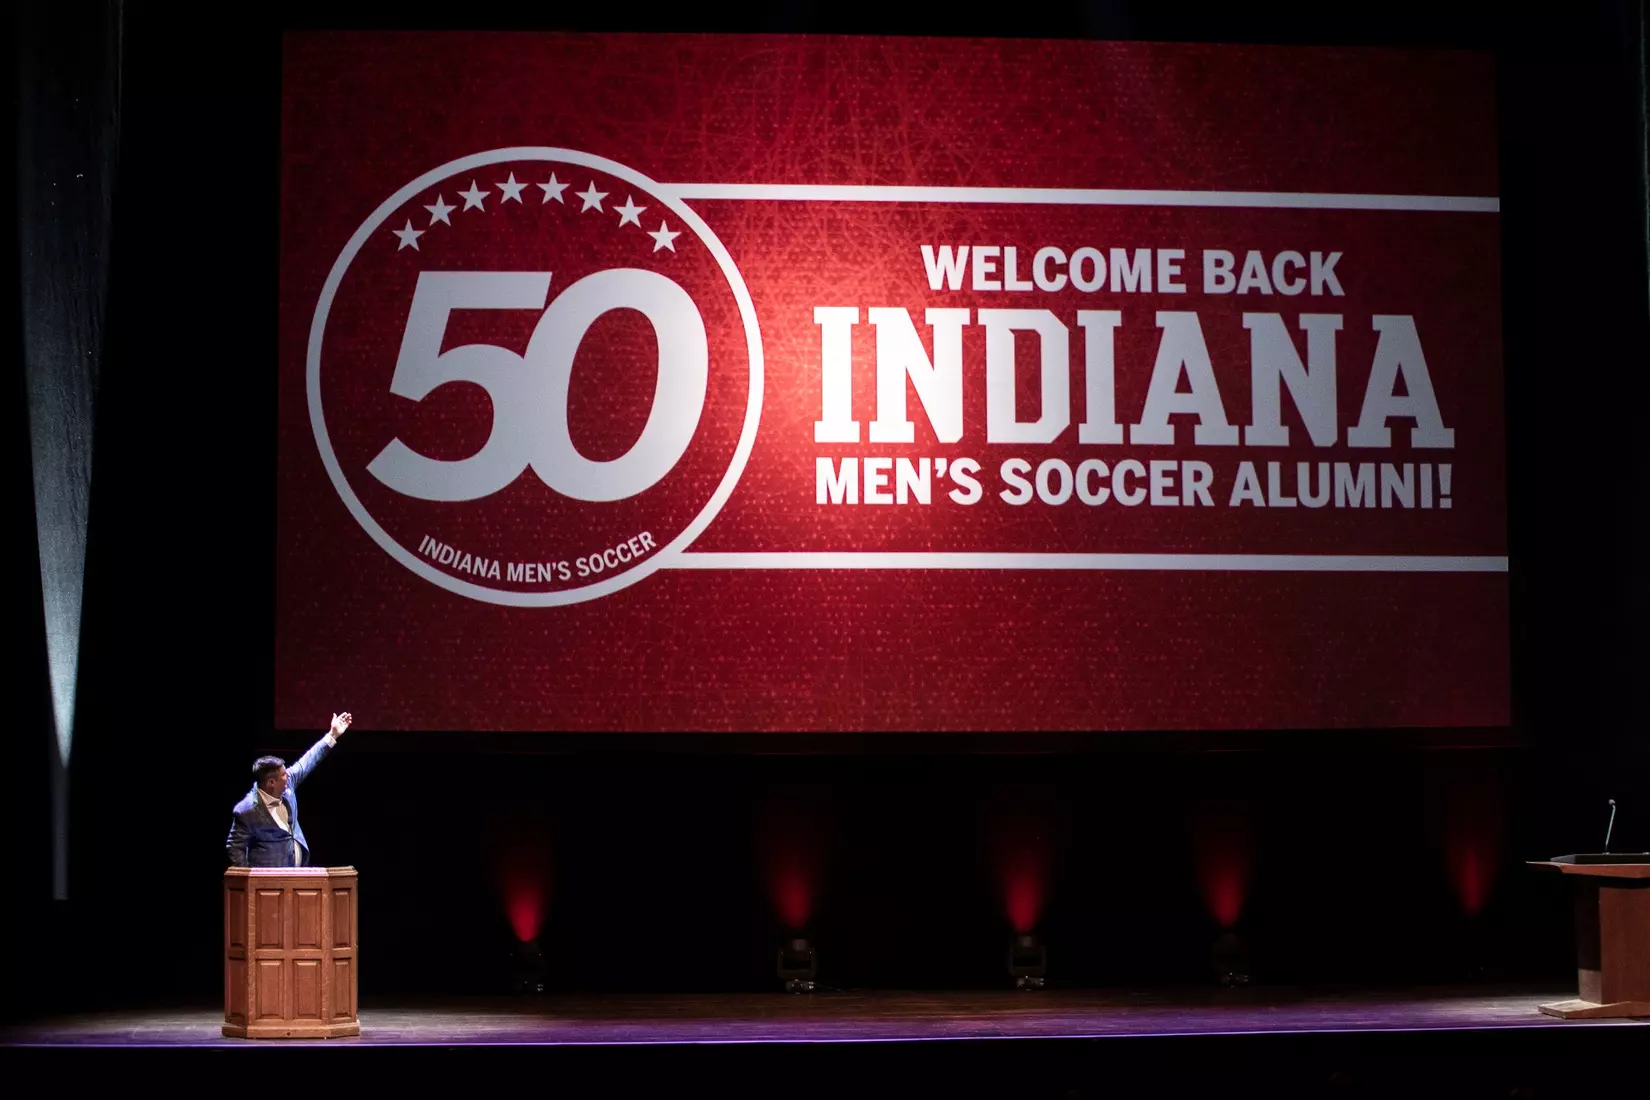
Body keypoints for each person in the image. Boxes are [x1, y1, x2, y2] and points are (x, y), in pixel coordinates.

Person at [225, 712, 352, 867]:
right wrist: (249, 881)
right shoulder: (246, 811)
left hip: (296, 876)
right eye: (284, 775)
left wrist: (332, 735)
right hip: (269, 885)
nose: (289, 775)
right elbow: (234, 848)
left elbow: (307, 761)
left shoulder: (287, 784)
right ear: (271, 782)